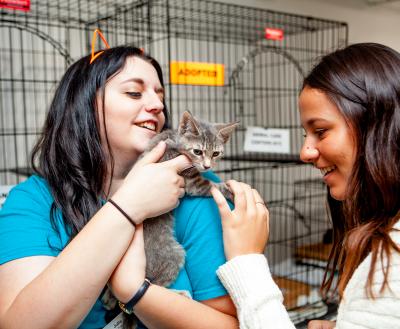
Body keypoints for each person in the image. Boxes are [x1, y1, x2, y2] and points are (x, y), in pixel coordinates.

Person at [0, 46, 240, 328]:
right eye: (134, 93)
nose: (157, 105)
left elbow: (230, 323)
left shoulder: (198, 188)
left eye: (160, 96)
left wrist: (134, 291)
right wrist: (129, 204)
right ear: (84, 105)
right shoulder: (34, 201)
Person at [211, 43, 400, 329]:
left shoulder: (392, 263)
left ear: (374, 126)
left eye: (320, 131)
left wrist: (246, 260)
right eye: (305, 134)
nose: (305, 152)